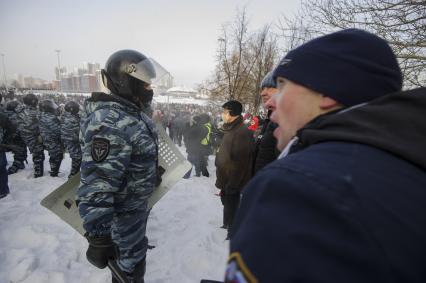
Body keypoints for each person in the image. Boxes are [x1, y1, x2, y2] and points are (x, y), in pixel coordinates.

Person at [224, 28, 426, 282]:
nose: (269, 103)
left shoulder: (295, 187)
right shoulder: (405, 164)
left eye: (283, 86)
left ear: (327, 94)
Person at [77, 49, 159, 283]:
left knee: (133, 264)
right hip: (121, 220)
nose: (149, 89)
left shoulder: (129, 113)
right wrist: (99, 238)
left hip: (133, 213)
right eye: (145, 84)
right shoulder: (109, 122)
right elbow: (97, 185)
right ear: (126, 82)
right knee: (127, 271)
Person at [215, 100, 254, 239]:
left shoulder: (241, 132)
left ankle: (232, 230)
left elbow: (240, 163)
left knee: (232, 204)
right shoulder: (230, 128)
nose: (223, 114)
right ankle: (227, 224)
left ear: (234, 113)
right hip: (226, 176)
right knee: (226, 201)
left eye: (225, 112)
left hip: (233, 179)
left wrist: (233, 183)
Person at [251, 71, 280, 176]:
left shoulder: (288, 123)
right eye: (263, 88)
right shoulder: (271, 121)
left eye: (270, 87)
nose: (263, 93)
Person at [15, 93, 45, 178]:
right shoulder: (34, 112)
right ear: (33, 101)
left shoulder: (20, 109)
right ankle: (38, 174)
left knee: (35, 154)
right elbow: (38, 126)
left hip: (23, 135)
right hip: (32, 136)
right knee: (38, 155)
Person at [39, 99, 63, 177]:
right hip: (53, 139)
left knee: (53, 155)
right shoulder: (51, 118)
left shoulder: (41, 115)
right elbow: (58, 130)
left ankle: (53, 170)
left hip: (46, 138)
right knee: (57, 156)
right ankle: (54, 172)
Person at [5, 100, 27, 174]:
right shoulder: (17, 116)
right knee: (20, 144)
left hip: (5, 140)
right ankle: (17, 164)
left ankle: (18, 162)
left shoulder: (4, 114)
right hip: (14, 139)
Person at [61, 100, 82, 178]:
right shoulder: (73, 119)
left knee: (76, 158)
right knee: (77, 159)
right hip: (74, 142)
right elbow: (79, 133)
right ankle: (72, 177)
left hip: (68, 142)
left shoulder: (64, 116)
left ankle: (74, 175)